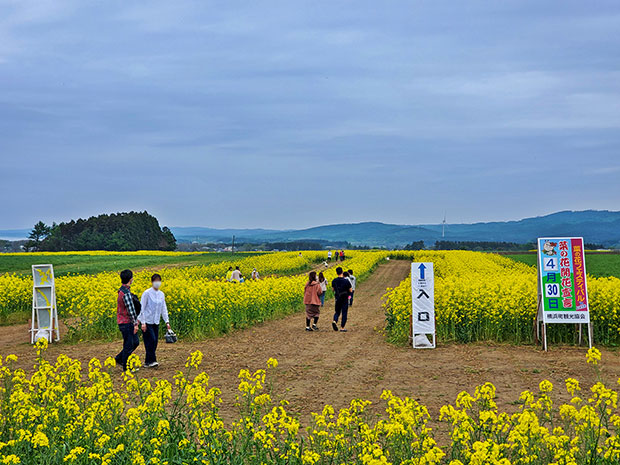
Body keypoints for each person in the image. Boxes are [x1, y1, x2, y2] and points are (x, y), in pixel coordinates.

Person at [139, 273, 171, 368]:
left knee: (155, 341)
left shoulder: (161, 294)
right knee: (151, 340)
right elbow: (141, 308)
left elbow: (163, 308)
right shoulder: (147, 293)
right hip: (147, 321)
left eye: (159, 281)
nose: (157, 283)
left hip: (156, 321)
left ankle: (147, 362)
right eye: (155, 281)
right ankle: (152, 360)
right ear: (152, 282)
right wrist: (142, 322)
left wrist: (167, 322)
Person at [115, 269, 140, 371]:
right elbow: (131, 310)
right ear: (130, 279)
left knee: (135, 342)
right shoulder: (126, 293)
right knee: (129, 345)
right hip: (126, 323)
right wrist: (135, 324)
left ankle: (119, 358)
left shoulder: (122, 290)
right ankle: (127, 367)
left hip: (123, 322)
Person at [331, 267, 352, 332]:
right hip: (345, 298)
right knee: (344, 312)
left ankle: (335, 320)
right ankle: (342, 327)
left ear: (336, 272)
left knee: (337, 311)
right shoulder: (346, 281)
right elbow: (350, 290)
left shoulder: (334, 280)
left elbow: (333, 289)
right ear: (342, 272)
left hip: (338, 298)